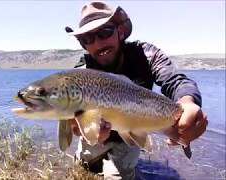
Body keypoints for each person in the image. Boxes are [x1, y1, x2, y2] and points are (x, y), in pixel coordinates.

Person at [65, 1, 208, 179]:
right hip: (95, 133)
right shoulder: (81, 73)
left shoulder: (146, 55)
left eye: (105, 32)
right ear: (83, 44)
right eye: (88, 38)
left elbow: (175, 80)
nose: (98, 43)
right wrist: (80, 128)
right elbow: (72, 120)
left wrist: (188, 102)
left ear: (121, 32)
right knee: (83, 169)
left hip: (130, 136)